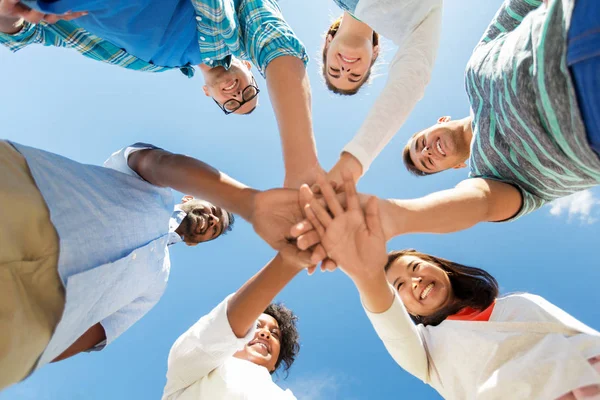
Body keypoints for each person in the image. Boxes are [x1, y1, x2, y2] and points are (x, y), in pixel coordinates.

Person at [0, 139, 314, 390]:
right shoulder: (150, 185)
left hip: (27, 317)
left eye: (215, 229)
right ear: (193, 195)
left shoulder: (156, 281)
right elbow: (160, 163)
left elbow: (96, 333)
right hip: (23, 200)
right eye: (214, 209)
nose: (212, 220)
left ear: (195, 243)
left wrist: (31, 354)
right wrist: (247, 203)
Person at [299, 175, 600, 400]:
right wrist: (364, 271)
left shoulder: (523, 302)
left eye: (415, 268)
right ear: (405, 310)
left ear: (440, 266)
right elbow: (386, 315)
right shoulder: (426, 350)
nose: (414, 281)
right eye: (400, 286)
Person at [0, 0, 320, 187]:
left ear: (209, 95)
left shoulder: (147, 62)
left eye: (232, 104)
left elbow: (36, 33)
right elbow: (272, 38)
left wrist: (9, 15)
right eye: (249, 91)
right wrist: (302, 168)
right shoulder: (233, 26)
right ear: (250, 67)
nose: (236, 93)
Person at [399, 0, 600, 221]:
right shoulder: (487, 176)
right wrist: (401, 217)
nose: (427, 151)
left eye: (420, 144)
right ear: (457, 166)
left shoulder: (473, 71)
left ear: (440, 120)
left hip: (577, 21)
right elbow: (482, 202)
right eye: (428, 162)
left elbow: (521, 4)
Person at [320, 0, 442, 187]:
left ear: (328, 43)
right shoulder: (413, 23)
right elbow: (412, 76)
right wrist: (356, 157)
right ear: (374, 54)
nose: (345, 69)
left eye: (334, 70)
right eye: (354, 76)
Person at [162, 251, 307, 399]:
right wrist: (288, 261)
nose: (265, 334)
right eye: (256, 326)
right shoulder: (192, 370)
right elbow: (221, 328)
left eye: (275, 334)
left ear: (275, 364)